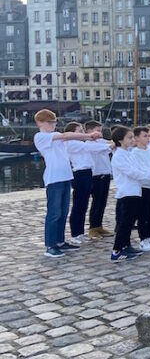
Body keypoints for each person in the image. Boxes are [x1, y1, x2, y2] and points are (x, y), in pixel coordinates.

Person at [33, 109, 100, 258]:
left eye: (54, 122)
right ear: (40, 123)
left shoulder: (56, 137)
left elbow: (67, 137)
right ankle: (50, 245)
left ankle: (60, 241)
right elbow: (66, 135)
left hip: (65, 177)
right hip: (54, 178)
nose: (53, 125)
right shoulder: (41, 137)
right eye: (50, 122)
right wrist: (88, 136)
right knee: (54, 213)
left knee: (63, 212)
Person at [110, 126, 150, 262]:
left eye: (132, 137)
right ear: (120, 140)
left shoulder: (128, 154)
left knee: (130, 221)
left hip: (134, 191)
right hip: (127, 192)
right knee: (125, 223)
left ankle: (126, 246)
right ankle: (117, 250)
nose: (132, 140)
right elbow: (133, 173)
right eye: (129, 138)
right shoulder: (119, 156)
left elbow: (140, 168)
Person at [85, 121, 115, 239]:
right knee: (96, 203)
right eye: (97, 130)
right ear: (89, 131)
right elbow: (107, 147)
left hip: (105, 174)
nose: (100, 133)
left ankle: (99, 226)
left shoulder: (101, 142)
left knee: (102, 202)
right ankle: (93, 228)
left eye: (100, 130)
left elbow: (110, 144)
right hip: (96, 176)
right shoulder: (88, 144)